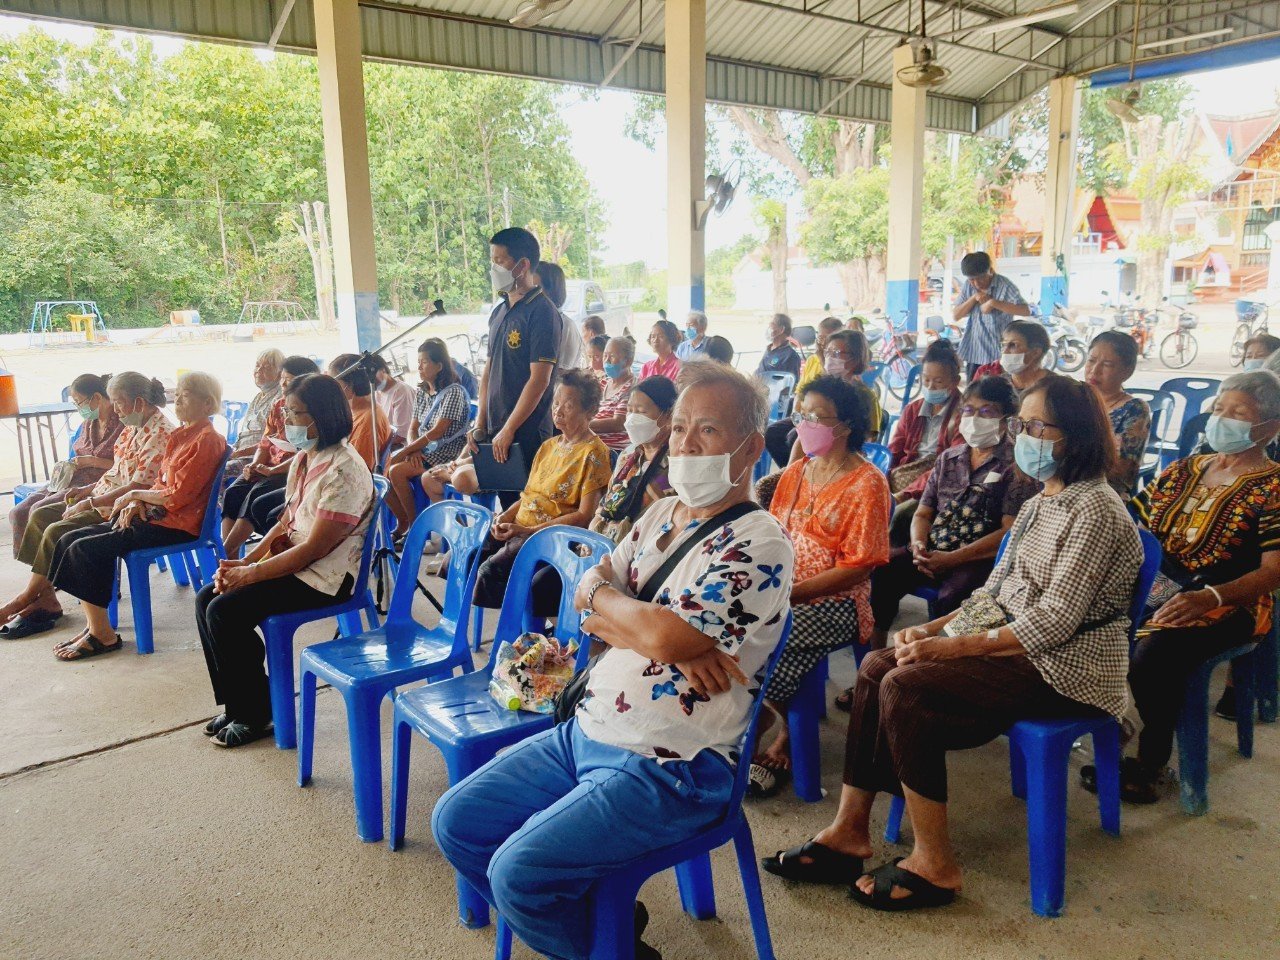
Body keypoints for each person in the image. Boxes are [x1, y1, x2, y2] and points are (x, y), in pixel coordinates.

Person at [432, 361, 793, 960]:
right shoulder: (659, 514)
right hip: (589, 727)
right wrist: (642, 629)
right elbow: (592, 592)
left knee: (518, 874)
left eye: (707, 430)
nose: (684, 444)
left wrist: (640, 626)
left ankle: (612, 945)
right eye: (680, 428)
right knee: (456, 823)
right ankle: (604, 931)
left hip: (673, 763)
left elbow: (656, 631)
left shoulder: (760, 543)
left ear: (751, 448)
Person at [765, 376, 1141, 911]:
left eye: (1036, 427)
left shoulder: (1097, 511)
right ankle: (849, 830)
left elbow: (1054, 623)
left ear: (1076, 435)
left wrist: (952, 648)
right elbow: (995, 594)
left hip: (1068, 668)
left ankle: (935, 864)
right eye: (1022, 425)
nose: (1023, 436)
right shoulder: (1042, 502)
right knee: (877, 665)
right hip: (1021, 651)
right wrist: (934, 629)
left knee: (907, 687)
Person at [1080, 371, 1280, 803]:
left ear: (1271, 427)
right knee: (1083, 622)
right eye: (1219, 409)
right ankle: (1114, 726)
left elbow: (1273, 572)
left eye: (1238, 413)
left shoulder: (1273, 487)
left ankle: (1152, 762)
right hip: (1160, 584)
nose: (1222, 419)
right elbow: (1133, 523)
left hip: (1231, 602)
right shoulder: (1182, 470)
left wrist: (1210, 597)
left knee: (1153, 654)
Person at [196, 373, 376, 747]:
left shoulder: (345, 470)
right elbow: (285, 522)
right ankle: (239, 703)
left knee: (225, 611)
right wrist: (246, 563)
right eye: (287, 412)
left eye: (295, 413)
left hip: (325, 577)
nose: (288, 421)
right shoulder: (306, 459)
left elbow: (314, 549)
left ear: (322, 416)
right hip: (298, 563)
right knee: (206, 598)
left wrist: (252, 574)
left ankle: (256, 714)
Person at [748, 376, 890, 797]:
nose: (805, 424)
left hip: (838, 602)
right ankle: (759, 721)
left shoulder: (867, 483)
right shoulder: (797, 472)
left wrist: (789, 595)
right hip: (784, 590)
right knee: (733, 631)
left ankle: (781, 729)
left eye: (816, 416)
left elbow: (857, 569)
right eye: (802, 414)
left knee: (769, 640)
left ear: (845, 425)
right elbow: (774, 535)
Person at [46, 373, 227, 661]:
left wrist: (133, 496)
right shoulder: (182, 436)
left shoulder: (207, 440)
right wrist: (137, 501)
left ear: (207, 403)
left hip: (176, 524)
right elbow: (159, 482)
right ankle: (95, 627)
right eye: (178, 395)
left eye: (186, 396)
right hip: (157, 515)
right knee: (70, 538)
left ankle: (102, 635)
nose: (177, 401)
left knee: (85, 548)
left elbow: (176, 496)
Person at [0, 372, 173, 639]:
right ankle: (45, 597)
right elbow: (115, 473)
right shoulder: (132, 427)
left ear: (139, 402)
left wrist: (90, 502)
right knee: (39, 515)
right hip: (102, 495)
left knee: (57, 531)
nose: (115, 409)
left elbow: (137, 486)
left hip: (118, 506)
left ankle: (26, 598)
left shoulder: (159, 434)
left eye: (119, 402)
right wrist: (87, 490)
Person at [866, 375, 1033, 649]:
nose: (975, 418)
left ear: (1006, 419)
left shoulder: (1015, 465)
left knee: (954, 594)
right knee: (883, 570)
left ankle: (932, 657)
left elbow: (1008, 532)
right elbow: (923, 513)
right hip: (934, 549)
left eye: (987, 412)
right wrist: (919, 546)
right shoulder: (950, 458)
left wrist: (953, 559)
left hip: (977, 558)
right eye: (969, 410)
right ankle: (875, 650)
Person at [472, 370, 612, 615]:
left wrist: (529, 531)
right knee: (467, 556)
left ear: (590, 412)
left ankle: (519, 626)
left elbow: (584, 516)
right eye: (556, 403)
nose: (558, 411)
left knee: (489, 571)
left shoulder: (594, 453)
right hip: (521, 529)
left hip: (551, 538)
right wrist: (504, 516)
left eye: (568, 406)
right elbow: (528, 495)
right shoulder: (548, 446)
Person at [473, 228, 560, 489]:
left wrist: (509, 428)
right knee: (505, 501)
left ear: (522, 265)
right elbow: (488, 370)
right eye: (492, 261)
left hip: (526, 432)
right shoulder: (499, 312)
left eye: (500, 261)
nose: (494, 269)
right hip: (495, 430)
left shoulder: (542, 312)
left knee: (527, 505)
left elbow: (539, 380)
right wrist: (480, 424)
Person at [8, 372, 123, 549]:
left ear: (97, 398)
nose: (78, 408)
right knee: (18, 512)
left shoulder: (123, 424)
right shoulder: (88, 423)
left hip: (98, 483)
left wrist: (92, 461)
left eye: (79, 402)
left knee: (39, 512)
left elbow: (125, 467)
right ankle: (34, 562)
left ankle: (50, 562)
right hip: (71, 479)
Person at [222, 355, 319, 556]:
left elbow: (305, 453)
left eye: (288, 380)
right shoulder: (278, 405)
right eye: (282, 378)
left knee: (257, 495)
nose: (283, 384)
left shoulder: (310, 413)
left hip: (287, 469)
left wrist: (272, 470)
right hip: (268, 465)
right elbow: (265, 442)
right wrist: (255, 464)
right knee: (233, 492)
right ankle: (230, 555)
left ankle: (228, 553)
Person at [385, 338, 471, 538]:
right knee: (386, 469)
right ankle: (406, 522)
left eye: (424, 362)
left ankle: (414, 527)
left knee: (395, 470)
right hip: (424, 450)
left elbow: (437, 432)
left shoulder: (453, 392)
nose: (419, 367)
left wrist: (405, 452)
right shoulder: (422, 392)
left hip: (446, 452)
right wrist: (413, 449)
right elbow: (413, 428)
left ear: (439, 366)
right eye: (418, 362)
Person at [763, 329, 881, 471]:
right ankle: (796, 470)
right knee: (774, 432)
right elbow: (804, 409)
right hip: (812, 421)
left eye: (836, 353)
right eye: (828, 352)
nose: (830, 358)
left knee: (794, 435)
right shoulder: (822, 387)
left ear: (855, 358)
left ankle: (806, 468)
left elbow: (869, 436)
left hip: (839, 438)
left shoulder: (865, 395)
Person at [588, 374, 677, 542]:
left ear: (668, 415)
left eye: (641, 412)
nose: (632, 419)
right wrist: (591, 538)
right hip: (602, 541)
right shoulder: (627, 455)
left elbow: (666, 520)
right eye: (630, 410)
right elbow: (605, 504)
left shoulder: (674, 464)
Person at [886, 339, 963, 506]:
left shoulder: (963, 415)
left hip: (936, 485)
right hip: (905, 476)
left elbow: (950, 465)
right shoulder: (912, 410)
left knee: (900, 513)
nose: (931, 387)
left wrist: (903, 496)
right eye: (926, 380)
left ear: (955, 381)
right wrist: (880, 479)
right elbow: (894, 451)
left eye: (938, 381)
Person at [1084, 331, 1151, 497]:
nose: (1095, 370)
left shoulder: (1134, 409)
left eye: (1107, 365)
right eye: (1091, 360)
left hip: (1102, 494)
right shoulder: (1074, 397)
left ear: (1127, 371)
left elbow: (1121, 471)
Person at [954, 251, 1031, 380]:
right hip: (975, 352)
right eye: (972, 279)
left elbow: (1025, 310)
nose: (976, 283)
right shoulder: (968, 286)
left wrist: (994, 303)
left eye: (980, 278)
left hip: (998, 355)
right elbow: (956, 315)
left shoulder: (1005, 286)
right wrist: (974, 298)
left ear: (990, 270)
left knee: (997, 390)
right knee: (973, 390)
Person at [223, 350, 284, 484]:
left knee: (221, 470)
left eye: (267, 367)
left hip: (258, 458)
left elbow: (271, 441)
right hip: (241, 452)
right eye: (257, 365)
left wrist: (237, 454)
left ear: (280, 374)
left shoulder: (279, 399)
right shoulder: (258, 396)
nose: (259, 370)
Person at [328, 354, 392, 470]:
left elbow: (358, 468)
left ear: (350, 384)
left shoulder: (368, 420)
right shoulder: (356, 410)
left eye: (335, 383)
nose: (332, 389)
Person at [972, 319, 1053, 399]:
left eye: (1013, 345)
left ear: (1035, 352)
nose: (1004, 351)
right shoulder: (998, 385)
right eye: (1003, 345)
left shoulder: (1054, 388)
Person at [537, 260, 587, 375]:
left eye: (536, 288)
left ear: (551, 291)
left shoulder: (565, 326)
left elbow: (560, 374)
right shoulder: (536, 322)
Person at [590, 336, 636, 453]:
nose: (607, 361)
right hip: (592, 444)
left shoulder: (632, 388)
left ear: (628, 361)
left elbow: (618, 423)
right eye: (605, 355)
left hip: (613, 450)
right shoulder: (603, 382)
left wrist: (583, 424)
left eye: (612, 356)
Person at [368, 353, 417, 445]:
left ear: (383, 369)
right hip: (386, 442)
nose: (371, 380)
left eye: (373, 374)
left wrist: (374, 445)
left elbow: (401, 435)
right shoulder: (376, 393)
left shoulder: (401, 392)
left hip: (402, 446)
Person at [798, 317, 844, 391]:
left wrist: (821, 358)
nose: (823, 343)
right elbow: (799, 391)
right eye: (821, 338)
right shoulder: (812, 359)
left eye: (828, 339)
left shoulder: (841, 360)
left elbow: (834, 386)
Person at [757, 313, 803, 380]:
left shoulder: (790, 356)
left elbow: (791, 382)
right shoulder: (769, 349)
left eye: (772, 324)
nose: (768, 328)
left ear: (781, 330)